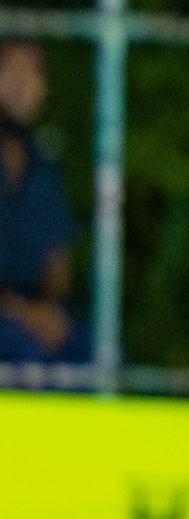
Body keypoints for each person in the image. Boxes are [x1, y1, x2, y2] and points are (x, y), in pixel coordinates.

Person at [0, 39, 85, 365]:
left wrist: (48, 311)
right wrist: (23, 313)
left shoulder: (41, 163)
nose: (23, 84)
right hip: (12, 324)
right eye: (11, 69)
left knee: (101, 358)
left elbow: (57, 264)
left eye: (34, 70)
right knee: (24, 352)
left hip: (31, 315)